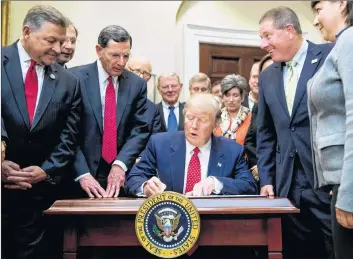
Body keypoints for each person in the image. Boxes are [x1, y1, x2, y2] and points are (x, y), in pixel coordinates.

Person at [1, 5, 81, 258]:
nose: (59, 49)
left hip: (37, 197)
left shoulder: (69, 82)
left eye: (63, 41)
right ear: (27, 32)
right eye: (51, 41)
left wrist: (45, 171)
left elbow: (69, 137)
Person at [257, 6, 334, 258]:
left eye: (267, 35)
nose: (262, 44)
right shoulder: (267, 76)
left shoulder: (329, 57)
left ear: (289, 30)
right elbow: (266, 134)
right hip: (286, 185)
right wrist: (267, 179)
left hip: (325, 182)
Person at [69, 25, 149, 198]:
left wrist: (120, 164)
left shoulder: (137, 85)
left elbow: (140, 130)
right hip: (79, 176)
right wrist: (82, 173)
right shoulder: (74, 78)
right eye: (115, 55)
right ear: (99, 50)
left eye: (126, 56)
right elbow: (67, 133)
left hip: (120, 176)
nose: (121, 62)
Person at [125, 93, 257, 197]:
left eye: (202, 120)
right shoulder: (160, 144)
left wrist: (216, 184)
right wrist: (145, 186)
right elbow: (133, 178)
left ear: (216, 124)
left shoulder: (232, 151)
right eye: (190, 117)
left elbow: (249, 185)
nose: (194, 126)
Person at [309, 1, 353, 258]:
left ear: (341, 3)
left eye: (318, 9)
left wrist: (348, 195)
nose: (315, 20)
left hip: (347, 185)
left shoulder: (348, 41)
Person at [244, 55, 273, 180]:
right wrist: (259, 163)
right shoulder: (257, 107)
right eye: (255, 76)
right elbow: (249, 141)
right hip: (257, 171)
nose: (258, 80)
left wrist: (265, 164)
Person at [126, 57, 162, 134]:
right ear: (126, 70)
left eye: (146, 73)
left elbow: (154, 141)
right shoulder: (112, 99)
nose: (141, 77)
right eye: (137, 71)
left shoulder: (152, 109)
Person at [213, 74, 252, 146]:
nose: (231, 100)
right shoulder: (216, 117)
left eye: (235, 95)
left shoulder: (251, 118)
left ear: (242, 97)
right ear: (223, 97)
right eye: (227, 95)